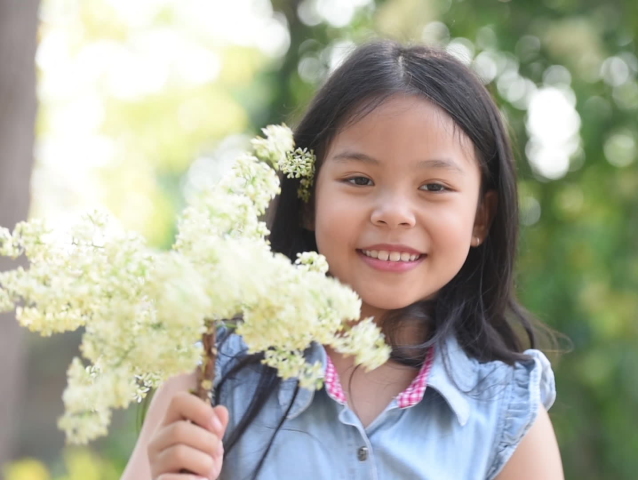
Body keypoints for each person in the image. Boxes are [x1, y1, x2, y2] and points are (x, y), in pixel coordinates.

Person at [121, 40, 564, 480]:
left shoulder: (507, 415)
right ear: (309, 200)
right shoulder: (211, 374)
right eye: (359, 179)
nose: (394, 213)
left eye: (434, 187)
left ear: (480, 218)